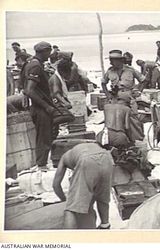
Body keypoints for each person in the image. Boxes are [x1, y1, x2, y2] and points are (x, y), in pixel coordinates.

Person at [52, 142, 114, 229]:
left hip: (86, 159)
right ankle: (105, 225)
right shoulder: (80, 149)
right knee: (102, 196)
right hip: (106, 157)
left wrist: (65, 200)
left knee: (72, 208)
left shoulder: (64, 157)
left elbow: (56, 185)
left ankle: (68, 238)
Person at [23, 41, 55, 170]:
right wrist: (46, 106)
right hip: (40, 107)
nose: (49, 54)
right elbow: (29, 90)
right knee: (44, 137)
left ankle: (41, 163)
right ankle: (41, 165)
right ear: (43, 52)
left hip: (37, 106)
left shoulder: (31, 64)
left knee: (43, 136)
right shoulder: (36, 66)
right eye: (48, 51)